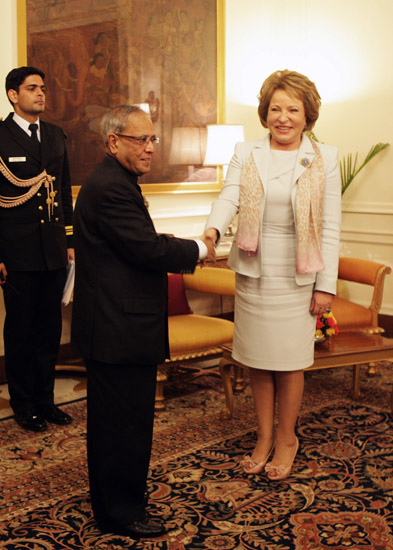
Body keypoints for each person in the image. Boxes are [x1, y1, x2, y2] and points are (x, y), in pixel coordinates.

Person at [71, 105, 215, 539]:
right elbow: (146, 250)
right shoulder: (112, 188)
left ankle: (118, 503)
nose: (150, 147)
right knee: (124, 427)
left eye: (153, 139)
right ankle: (120, 515)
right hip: (118, 329)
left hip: (117, 326)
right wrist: (201, 249)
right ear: (114, 142)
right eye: (141, 140)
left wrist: (172, 244)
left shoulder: (114, 182)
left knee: (120, 424)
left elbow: (137, 244)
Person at [204, 70, 341, 481]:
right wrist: (212, 229)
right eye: (276, 108)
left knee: (289, 362)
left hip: (300, 274)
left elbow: (331, 226)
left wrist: (326, 287)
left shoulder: (325, 157)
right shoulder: (247, 152)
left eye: (293, 109)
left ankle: (286, 438)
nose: (283, 117)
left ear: (307, 115)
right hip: (254, 269)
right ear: (265, 113)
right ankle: (263, 436)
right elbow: (230, 196)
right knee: (258, 361)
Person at [0, 66, 74, 432]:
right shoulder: (0, 136)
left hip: (53, 250)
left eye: (43, 88)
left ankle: (46, 402)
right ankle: (23, 405)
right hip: (16, 254)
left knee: (48, 331)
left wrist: (71, 242)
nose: (41, 94)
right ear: (13, 95)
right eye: (32, 89)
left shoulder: (57, 135)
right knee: (20, 332)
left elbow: (63, 193)